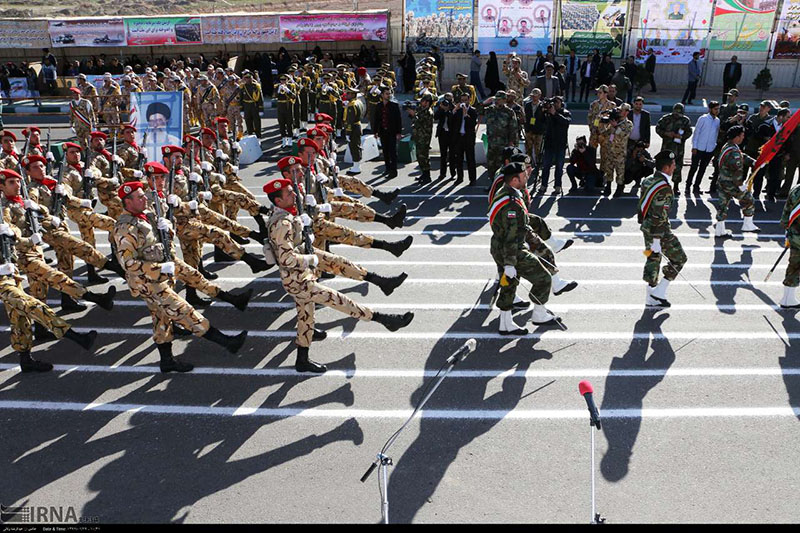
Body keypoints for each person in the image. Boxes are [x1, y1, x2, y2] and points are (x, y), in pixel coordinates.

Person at [263, 177, 414, 373]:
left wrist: (306, 233)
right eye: (288, 193)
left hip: (301, 272)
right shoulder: (282, 223)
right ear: (278, 201)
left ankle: (302, 359)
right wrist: (310, 260)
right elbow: (285, 259)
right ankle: (384, 319)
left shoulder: (286, 215)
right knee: (337, 300)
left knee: (306, 314)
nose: (293, 194)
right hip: (298, 280)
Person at [112, 181, 248, 373]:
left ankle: (166, 362)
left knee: (161, 319)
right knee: (184, 311)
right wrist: (160, 268)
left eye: (143, 195)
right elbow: (129, 264)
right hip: (148, 282)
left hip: (159, 277)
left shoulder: (146, 215)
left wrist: (168, 229)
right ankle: (227, 342)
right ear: (128, 202)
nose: (145, 199)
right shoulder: (125, 229)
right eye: (140, 197)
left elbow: (160, 241)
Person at [490, 162, 560, 335]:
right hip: (512, 251)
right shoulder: (512, 203)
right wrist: (509, 263)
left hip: (500, 248)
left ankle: (505, 324)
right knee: (544, 278)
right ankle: (539, 314)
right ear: (514, 180)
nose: (527, 176)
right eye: (523, 175)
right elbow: (512, 236)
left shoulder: (506, 193)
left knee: (509, 284)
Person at [640, 150, 686, 307]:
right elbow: (659, 215)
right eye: (673, 165)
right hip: (659, 231)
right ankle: (659, 292)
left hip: (646, 227)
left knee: (652, 258)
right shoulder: (664, 188)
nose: (675, 167)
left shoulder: (647, 180)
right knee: (679, 258)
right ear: (666, 168)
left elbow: (643, 207)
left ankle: (650, 295)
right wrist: (657, 240)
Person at [714, 125, 759, 237]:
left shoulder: (728, 146)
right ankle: (747, 225)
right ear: (736, 137)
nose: (743, 137)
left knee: (722, 205)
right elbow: (737, 171)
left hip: (722, 181)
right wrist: (740, 186)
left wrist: (753, 162)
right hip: (731, 184)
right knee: (749, 200)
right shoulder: (734, 151)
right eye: (742, 135)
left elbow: (741, 156)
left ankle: (720, 230)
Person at [655, 103, 692, 195]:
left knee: (678, 167)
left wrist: (681, 136)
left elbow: (689, 132)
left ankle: (676, 187)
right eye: (675, 112)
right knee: (663, 166)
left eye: (678, 113)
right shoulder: (666, 119)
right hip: (666, 147)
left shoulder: (685, 120)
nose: (676, 115)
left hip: (678, 149)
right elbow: (657, 128)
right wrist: (666, 133)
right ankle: (660, 185)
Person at [685, 101, 721, 194]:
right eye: (715, 109)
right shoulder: (703, 118)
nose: (717, 111)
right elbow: (696, 132)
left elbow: (716, 135)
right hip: (699, 148)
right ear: (710, 109)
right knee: (693, 168)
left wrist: (713, 147)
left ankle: (696, 187)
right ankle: (687, 186)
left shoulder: (717, 121)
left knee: (702, 169)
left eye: (718, 109)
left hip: (709, 149)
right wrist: (694, 146)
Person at [482, 91, 519, 181]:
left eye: (499, 99)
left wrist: (512, 142)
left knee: (501, 165)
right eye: (496, 99)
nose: (497, 101)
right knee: (491, 165)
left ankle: (501, 184)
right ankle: (492, 183)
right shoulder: (490, 110)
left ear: (504, 100)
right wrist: (485, 102)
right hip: (491, 143)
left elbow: (513, 128)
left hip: (503, 144)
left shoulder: (509, 112)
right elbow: (477, 110)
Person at [539, 96, 571, 195]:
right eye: (554, 102)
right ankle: (543, 185)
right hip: (549, 144)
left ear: (561, 103)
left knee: (559, 167)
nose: (555, 104)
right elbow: (540, 122)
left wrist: (555, 114)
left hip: (560, 144)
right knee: (546, 166)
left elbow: (566, 122)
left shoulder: (565, 113)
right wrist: (543, 111)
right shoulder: (548, 113)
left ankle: (557, 186)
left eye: (557, 102)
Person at [599, 105, 633, 197]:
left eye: (621, 111)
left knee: (620, 171)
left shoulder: (628, 124)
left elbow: (624, 134)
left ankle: (619, 188)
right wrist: (603, 123)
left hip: (620, 152)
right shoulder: (614, 121)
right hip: (610, 150)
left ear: (626, 112)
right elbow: (606, 134)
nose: (619, 112)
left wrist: (616, 126)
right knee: (609, 169)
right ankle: (608, 186)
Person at [449, 91, 478, 184]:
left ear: (469, 100)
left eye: (465, 100)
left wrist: (466, 115)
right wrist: (454, 111)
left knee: (470, 159)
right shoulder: (458, 110)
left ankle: (472, 179)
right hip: (459, 138)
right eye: (462, 100)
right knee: (459, 159)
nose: (464, 102)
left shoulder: (472, 111)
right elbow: (451, 122)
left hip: (468, 138)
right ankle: (459, 178)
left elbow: (473, 124)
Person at [374, 86, 402, 179]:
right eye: (386, 93)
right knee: (385, 151)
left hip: (392, 131)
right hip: (383, 131)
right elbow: (376, 119)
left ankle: (393, 171)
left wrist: (398, 132)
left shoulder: (394, 105)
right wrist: (375, 131)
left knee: (392, 152)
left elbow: (398, 120)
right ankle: (387, 168)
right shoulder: (379, 106)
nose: (388, 95)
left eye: (389, 93)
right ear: (382, 95)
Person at [780, 181, 800, 308]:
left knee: (795, 265)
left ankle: (787, 298)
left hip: (794, 234)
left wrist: (787, 229)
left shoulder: (796, 188)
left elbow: (786, 211)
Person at [411, 92, 435, 184]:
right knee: (420, 156)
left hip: (424, 138)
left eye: (423, 101)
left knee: (423, 156)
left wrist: (413, 115)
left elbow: (418, 122)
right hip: (419, 136)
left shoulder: (428, 112)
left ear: (427, 102)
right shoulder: (422, 110)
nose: (421, 102)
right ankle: (424, 174)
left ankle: (427, 175)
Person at [433, 96, 454, 180]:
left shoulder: (453, 109)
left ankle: (453, 173)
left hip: (451, 134)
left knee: (452, 155)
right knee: (443, 155)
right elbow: (435, 117)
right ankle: (442, 173)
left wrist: (447, 110)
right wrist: (441, 109)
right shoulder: (440, 109)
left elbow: (453, 118)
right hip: (442, 134)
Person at [241, 71, 263, 138]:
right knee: (248, 121)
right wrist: (241, 109)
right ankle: (250, 136)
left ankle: (258, 137)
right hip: (246, 106)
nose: (248, 79)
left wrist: (261, 109)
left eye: (249, 77)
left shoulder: (256, 86)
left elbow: (260, 98)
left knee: (257, 122)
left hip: (254, 106)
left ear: (252, 78)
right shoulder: (243, 87)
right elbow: (240, 98)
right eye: (246, 78)